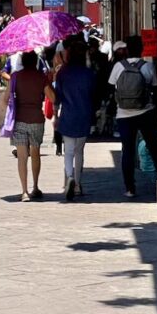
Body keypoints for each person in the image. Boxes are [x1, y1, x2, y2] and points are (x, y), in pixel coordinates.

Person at [108, 34, 157, 198]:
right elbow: (155, 87)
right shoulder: (147, 67)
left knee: (128, 150)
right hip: (145, 112)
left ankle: (130, 188)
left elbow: (111, 87)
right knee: (154, 147)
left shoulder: (118, 66)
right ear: (141, 49)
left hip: (124, 114)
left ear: (126, 50)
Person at [48, 41, 96, 199]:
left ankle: (69, 177)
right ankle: (77, 184)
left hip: (67, 114)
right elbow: (93, 94)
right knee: (79, 151)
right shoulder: (88, 73)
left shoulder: (63, 73)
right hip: (84, 114)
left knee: (68, 151)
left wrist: (55, 114)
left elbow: (58, 97)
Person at [11, 50, 53, 202]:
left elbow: (5, 100)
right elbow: (52, 97)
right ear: (36, 61)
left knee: (22, 157)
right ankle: (35, 187)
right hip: (36, 118)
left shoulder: (15, 76)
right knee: (35, 153)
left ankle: (24, 191)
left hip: (20, 119)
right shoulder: (41, 77)